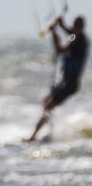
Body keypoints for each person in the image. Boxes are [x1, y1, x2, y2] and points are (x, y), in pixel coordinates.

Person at [27, 14, 88, 142]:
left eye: (75, 27)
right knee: (46, 101)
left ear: (80, 27)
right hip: (65, 82)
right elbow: (70, 33)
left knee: (49, 106)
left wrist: (55, 33)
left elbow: (61, 49)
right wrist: (61, 25)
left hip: (70, 85)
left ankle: (33, 136)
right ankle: (50, 131)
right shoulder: (76, 36)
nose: (73, 28)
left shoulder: (78, 40)